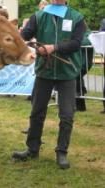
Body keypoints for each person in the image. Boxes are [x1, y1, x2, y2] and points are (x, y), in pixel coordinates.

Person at [12, 0, 86, 169]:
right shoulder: (39, 16)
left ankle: (62, 152)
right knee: (37, 111)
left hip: (67, 73)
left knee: (67, 115)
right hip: (44, 72)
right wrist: (18, 40)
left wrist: (54, 47)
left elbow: (76, 43)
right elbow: (25, 35)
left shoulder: (77, 17)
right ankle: (32, 149)